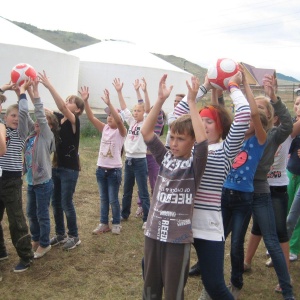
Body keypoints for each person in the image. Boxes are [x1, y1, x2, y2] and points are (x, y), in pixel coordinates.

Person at [174, 71, 251, 300]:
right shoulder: (189, 147)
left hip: (207, 226)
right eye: (201, 119)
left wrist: (233, 86)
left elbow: (244, 114)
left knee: (214, 285)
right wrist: (204, 87)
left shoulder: (227, 150)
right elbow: (174, 118)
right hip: (180, 223)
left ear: (220, 127)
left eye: (209, 121)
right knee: (154, 267)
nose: (203, 123)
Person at [142, 74, 208, 300]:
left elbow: (203, 143)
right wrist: (159, 101)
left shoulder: (194, 165)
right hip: (153, 232)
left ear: (191, 142)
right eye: (172, 138)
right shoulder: (165, 157)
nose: (173, 143)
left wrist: (191, 102)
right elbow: (147, 132)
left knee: (173, 292)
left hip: (178, 238)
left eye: (180, 139)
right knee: (150, 289)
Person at [243, 75, 294, 299]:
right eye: (256, 106)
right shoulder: (246, 134)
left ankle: (286, 278)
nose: (258, 110)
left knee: (278, 232)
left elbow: (288, 124)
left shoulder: (275, 134)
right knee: (256, 229)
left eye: (263, 107)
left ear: (271, 116)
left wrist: (273, 97)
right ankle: (245, 261)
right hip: (250, 187)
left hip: (274, 189)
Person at [221, 68, 268, 299]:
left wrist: (243, 85)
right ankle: (207, 270)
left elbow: (255, 115)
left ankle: (236, 282)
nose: (248, 121)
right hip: (225, 193)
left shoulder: (260, 140)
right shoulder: (234, 136)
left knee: (236, 243)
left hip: (243, 199)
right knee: (216, 237)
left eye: (252, 118)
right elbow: (224, 115)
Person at [38, 71, 85, 250]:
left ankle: (74, 236)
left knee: (66, 202)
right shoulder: (59, 119)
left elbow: (62, 108)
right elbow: (45, 110)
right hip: (56, 166)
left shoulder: (75, 121)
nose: (67, 102)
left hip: (70, 169)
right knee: (55, 202)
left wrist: (49, 85)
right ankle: (60, 234)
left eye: (71, 101)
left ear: (78, 109)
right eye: (68, 99)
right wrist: (34, 89)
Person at [82, 86, 126, 235]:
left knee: (113, 199)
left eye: (112, 115)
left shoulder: (121, 131)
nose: (109, 117)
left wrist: (110, 103)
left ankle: (116, 223)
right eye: (108, 115)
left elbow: (119, 121)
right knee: (103, 198)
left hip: (114, 171)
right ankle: (103, 223)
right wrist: (86, 101)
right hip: (101, 169)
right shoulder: (105, 128)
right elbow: (91, 117)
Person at [0, 81, 34, 272]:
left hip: (12, 180)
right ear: (5, 117)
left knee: (16, 220)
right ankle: (1, 251)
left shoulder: (21, 133)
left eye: (18, 117)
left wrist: (21, 94)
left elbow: (24, 113)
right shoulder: (1, 129)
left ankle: (26, 256)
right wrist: (3, 89)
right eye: (12, 116)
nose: (15, 119)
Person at [24, 77, 59, 259]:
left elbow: (38, 113)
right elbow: (28, 116)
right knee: (31, 212)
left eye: (43, 120)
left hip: (43, 183)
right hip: (31, 181)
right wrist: (23, 91)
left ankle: (45, 244)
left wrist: (36, 93)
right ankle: (36, 239)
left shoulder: (46, 135)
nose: (38, 121)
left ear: (49, 125)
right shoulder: (32, 134)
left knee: (42, 214)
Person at [114, 78, 150, 229]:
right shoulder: (131, 121)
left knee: (143, 191)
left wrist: (143, 91)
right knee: (127, 189)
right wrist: (119, 91)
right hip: (129, 160)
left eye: (138, 111)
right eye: (134, 110)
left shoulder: (145, 122)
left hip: (140, 160)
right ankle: (124, 213)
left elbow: (148, 108)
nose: (135, 113)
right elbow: (123, 108)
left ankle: (147, 219)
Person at [133, 78, 165, 218]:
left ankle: (155, 205)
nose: (149, 112)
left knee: (154, 182)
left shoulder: (158, 120)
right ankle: (141, 205)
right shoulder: (148, 119)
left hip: (153, 157)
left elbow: (147, 107)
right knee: (141, 181)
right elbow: (143, 106)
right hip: (142, 155)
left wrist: (145, 91)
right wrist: (139, 91)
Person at [286, 95, 300, 262]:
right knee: (284, 209)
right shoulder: (290, 125)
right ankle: (280, 245)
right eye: (296, 103)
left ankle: (293, 248)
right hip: (290, 172)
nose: (298, 107)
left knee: (295, 214)